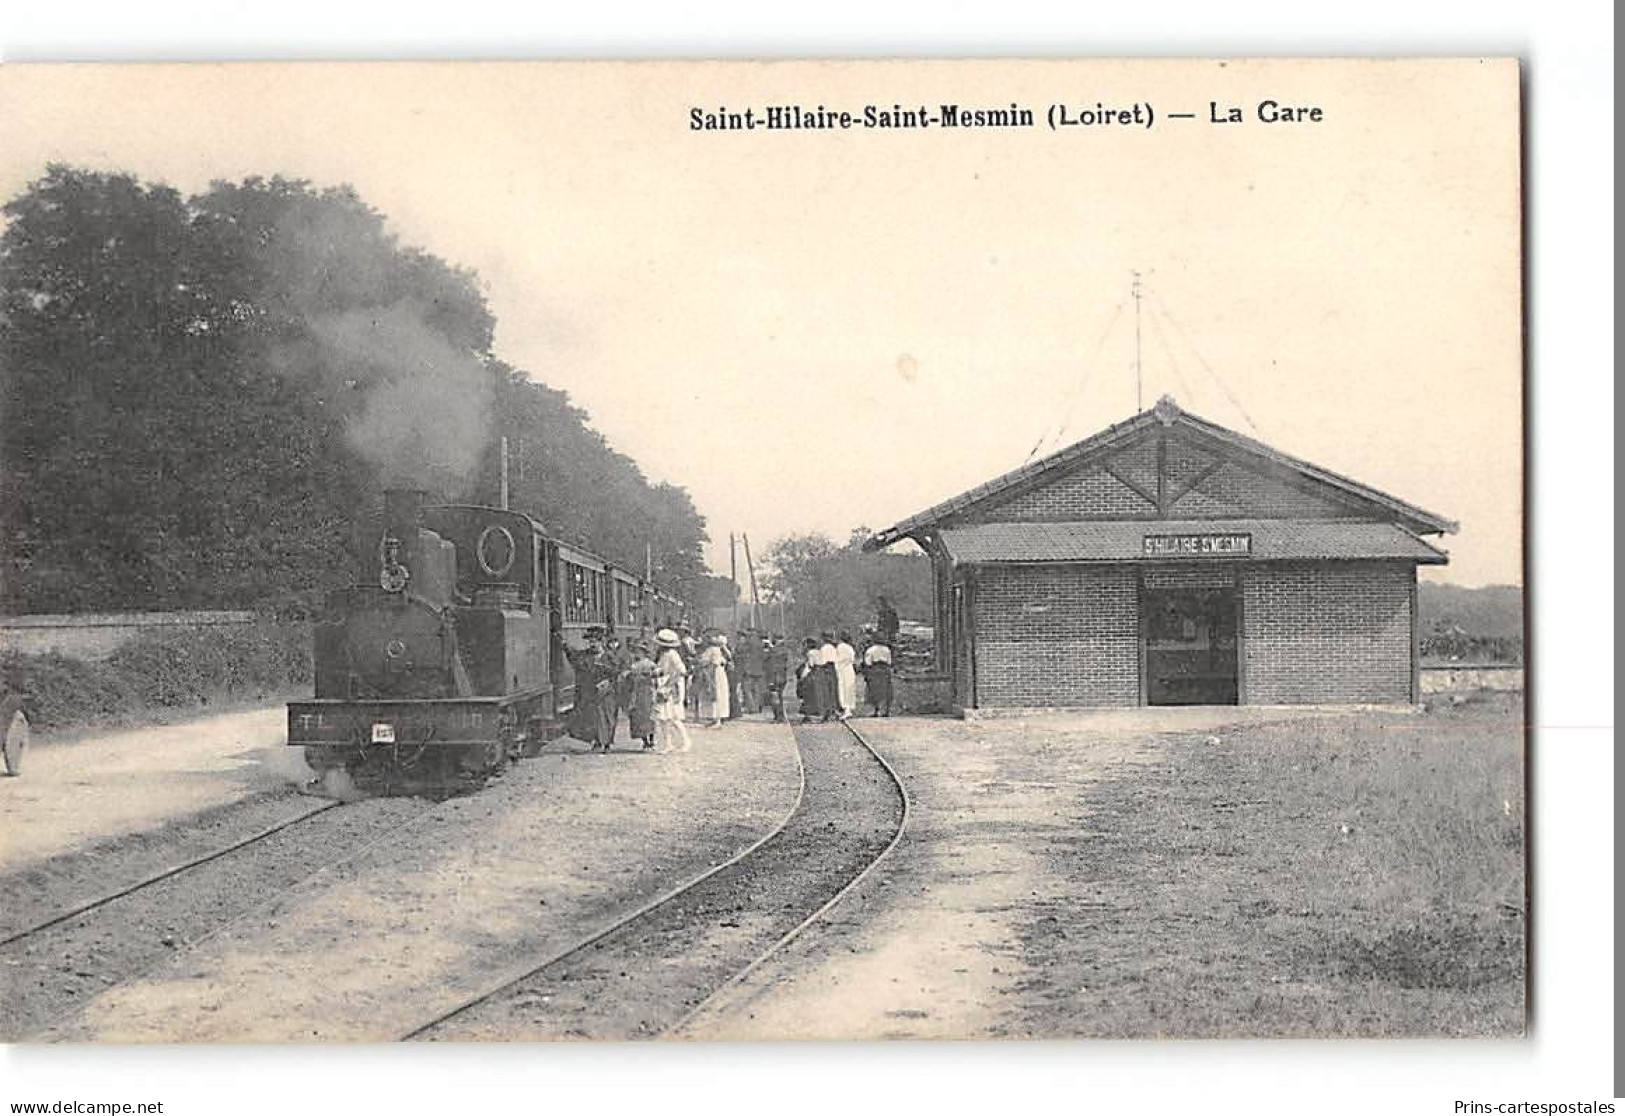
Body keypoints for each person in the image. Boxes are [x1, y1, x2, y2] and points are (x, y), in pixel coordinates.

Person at [652, 629, 692, 754]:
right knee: (663, 718)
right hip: (663, 685)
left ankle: (686, 741)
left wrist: (670, 684)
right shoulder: (664, 654)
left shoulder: (672, 654)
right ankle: (668, 744)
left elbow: (681, 671)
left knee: (673, 717)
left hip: (671, 687)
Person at [625, 642, 658, 750]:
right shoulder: (633, 665)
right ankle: (645, 741)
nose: (637, 653)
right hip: (637, 693)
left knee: (649, 717)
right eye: (636, 652)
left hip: (647, 691)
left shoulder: (650, 664)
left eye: (639, 651)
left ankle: (652, 740)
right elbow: (629, 679)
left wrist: (651, 676)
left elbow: (657, 675)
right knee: (638, 717)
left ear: (644, 653)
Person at [697, 633, 732, 727]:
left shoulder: (714, 650)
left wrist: (701, 663)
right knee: (715, 695)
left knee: (716, 694)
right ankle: (714, 718)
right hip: (715, 672)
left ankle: (717, 719)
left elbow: (709, 662)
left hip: (714, 673)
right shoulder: (715, 650)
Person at [863, 637, 895, 717]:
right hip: (885, 670)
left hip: (875, 669)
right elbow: (889, 661)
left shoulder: (871, 650)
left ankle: (876, 710)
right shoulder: (887, 650)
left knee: (875, 690)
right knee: (886, 690)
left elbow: (868, 662)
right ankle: (886, 710)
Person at [739, 629, 766, 716]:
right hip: (759, 670)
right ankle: (757, 707)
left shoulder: (748, 644)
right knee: (757, 690)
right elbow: (764, 657)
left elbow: (743, 654)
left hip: (750, 670)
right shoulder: (761, 644)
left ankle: (752, 707)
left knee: (747, 689)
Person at [763, 635, 788, 723]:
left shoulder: (776, 651)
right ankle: (779, 716)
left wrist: (769, 647)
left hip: (775, 676)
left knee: (775, 697)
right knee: (779, 697)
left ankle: (779, 717)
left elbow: (767, 659)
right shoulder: (783, 650)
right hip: (781, 676)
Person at [815, 632, 839, 723]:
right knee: (832, 690)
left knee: (825, 691)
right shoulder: (833, 648)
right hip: (833, 669)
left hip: (825, 669)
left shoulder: (824, 648)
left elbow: (822, 661)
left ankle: (827, 712)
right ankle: (833, 710)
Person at [834, 630, 858, 719]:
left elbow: (838, 659)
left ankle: (846, 709)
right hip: (849, 669)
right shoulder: (850, 647)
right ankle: (848, 709)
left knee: (843, 688)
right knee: (849, 689)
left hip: (843, 669)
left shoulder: (841, 647)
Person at [796, 638, 821, 723]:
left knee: (805, 693)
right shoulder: (818, 652)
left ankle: (808, 714)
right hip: (818, 675)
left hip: (811, 675)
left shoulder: (810, 653)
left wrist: (802, 676)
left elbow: (809, 666)